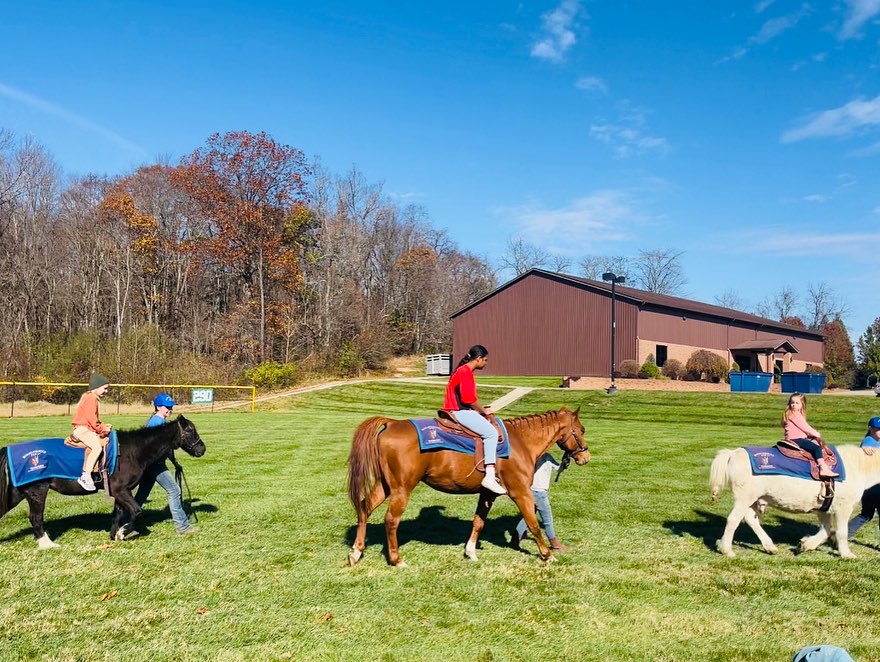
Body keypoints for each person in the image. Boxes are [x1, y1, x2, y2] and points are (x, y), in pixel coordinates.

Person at [122, 394, 195, 538]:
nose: (169, 410)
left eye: (171, 407)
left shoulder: (159, 421)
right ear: (157, 407)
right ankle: (183, 526)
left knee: (141, 495)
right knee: (174, 490)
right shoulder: (156, 422)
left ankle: (124, 522)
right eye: (166, 407)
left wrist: (174, 462)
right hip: (155, 465)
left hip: (150, 465)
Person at [444, 344, 506, 494]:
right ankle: (490, 476)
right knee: (491, 433)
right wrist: (484, 411)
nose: (486, 362)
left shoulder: (461, 370)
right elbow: (469, 399)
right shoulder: (465, 372)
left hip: (457, 410)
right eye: (485, 360)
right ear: (478, 359)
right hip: (460, 412)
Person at [513, 452, 564, 551]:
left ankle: (515, 540)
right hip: (537, 491)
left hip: (539, 491)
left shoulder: (548, 457)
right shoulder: (533, 457)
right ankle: (555, 544)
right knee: (547, 519)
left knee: (527, 517)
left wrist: (565, 463)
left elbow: (558, 468)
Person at [781, 392, 838, 478]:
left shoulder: (790, 413)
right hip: (796, 439)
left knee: (814, 443)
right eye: (792, 402)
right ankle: (823, 468)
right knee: (816, 448)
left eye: (797, 403)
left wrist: (809, 435)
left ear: (802, 404)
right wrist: (816, 433)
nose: (794, 405)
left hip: (796, 438)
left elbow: (801, 428)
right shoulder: (794, 414)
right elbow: (805, 427)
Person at [71, 373, 112, 491]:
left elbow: (93, 420)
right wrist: (103, 429)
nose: (106, 391)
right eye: (105, 388)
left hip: (85, 428)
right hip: (82, 429)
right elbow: (92, 419)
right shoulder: (91, 398)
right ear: (97, 387)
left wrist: (103, 425)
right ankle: (86, 475)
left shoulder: (90, 397)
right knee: (97, 447)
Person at [847, 416, 880, 540]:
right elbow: (864, 449)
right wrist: (863, 449)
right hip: (874, 486)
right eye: (877, 429)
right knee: (866, 514)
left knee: (866, 514)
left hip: (868, 487)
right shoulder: (869, 441)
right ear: (870, 429)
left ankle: (844, 534)